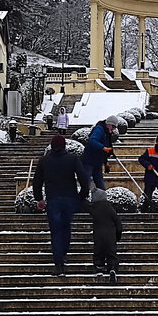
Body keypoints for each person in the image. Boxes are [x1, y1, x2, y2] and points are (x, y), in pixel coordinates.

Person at [33, 135, 91, 276]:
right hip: (70, 199)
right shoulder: (72, 159)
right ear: (64, 145)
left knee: (56, 231)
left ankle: (58, 263)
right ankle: (64, 252)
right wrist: (82, 196)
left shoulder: (44, 160)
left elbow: (37, 181)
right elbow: (84, 178)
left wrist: (39, 199)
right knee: (66, 227)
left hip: (53, 200)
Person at [88, 187, 123, 283]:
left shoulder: (93, 208)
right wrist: (118, 235)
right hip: (110, 234)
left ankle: (99, 266)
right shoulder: (109, 208)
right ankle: (112, 268)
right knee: (111, 253)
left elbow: (84, 206)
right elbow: (118, 222)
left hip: (98, 234)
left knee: (98, 251)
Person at [80, 115, 120, 190]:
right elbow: (92, 140)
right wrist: (103, 148)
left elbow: (106, 146)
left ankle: (102, 200)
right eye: (113, 127)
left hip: (98, 163)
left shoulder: (107, 132)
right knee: (86, 185)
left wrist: (105, 162)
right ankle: (83, 199)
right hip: (89, 162)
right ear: (109, 124)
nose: (113, 129)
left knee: (101, 186)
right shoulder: (99, 130)